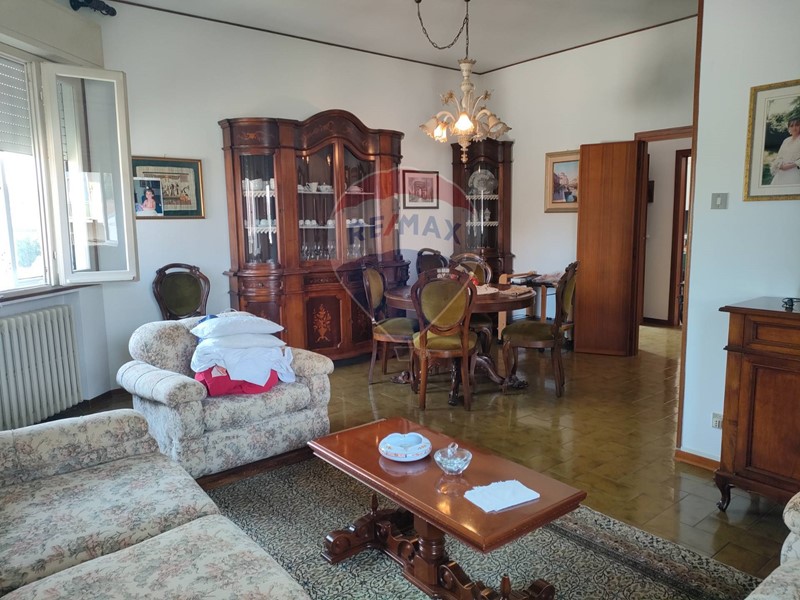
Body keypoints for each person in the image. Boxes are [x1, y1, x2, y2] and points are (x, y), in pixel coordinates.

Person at [770, 114, 800, 186]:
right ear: (789, 128)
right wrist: (779, 164)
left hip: (795, 171)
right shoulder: (786, 140)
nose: (794, 128)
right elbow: (780, 155)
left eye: (797, 125)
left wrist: (790, 166)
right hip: (782, 172)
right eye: (791, 126)